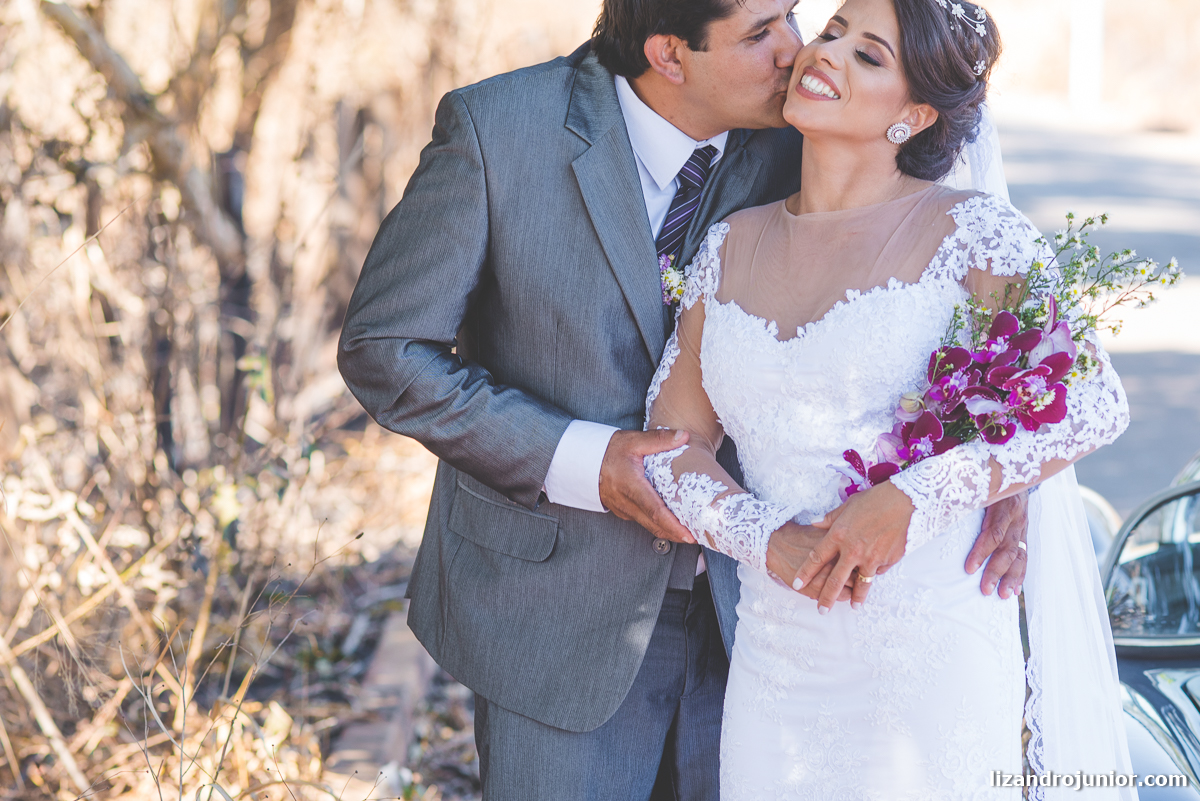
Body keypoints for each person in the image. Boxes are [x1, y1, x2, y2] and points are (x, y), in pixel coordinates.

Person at [338, 0, 1027, 798]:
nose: (796, 52)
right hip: (557, 609)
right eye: (760, 33)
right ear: (670, 55)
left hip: (776, 621)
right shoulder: (498, 129)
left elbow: (956, 300)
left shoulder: (813, 126)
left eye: (794, 17)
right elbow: (386, 349)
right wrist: (583, 461)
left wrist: (1002, 475)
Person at [643, 0, 1136, 797]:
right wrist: (762, 535)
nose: (825, 52)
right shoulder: (731, 244)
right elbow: (668, 445)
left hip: (930, 657)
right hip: (776, 662)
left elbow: (1090, 402)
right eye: (832, 31)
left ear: (912, 115)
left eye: (868, 55)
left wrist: (917, 494)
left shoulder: (974, 234)